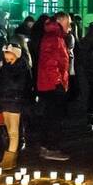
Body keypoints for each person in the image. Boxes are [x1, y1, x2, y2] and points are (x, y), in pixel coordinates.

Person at [35, 12, 71, 161]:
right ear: (61, 20)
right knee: (53, 117)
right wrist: (58, 81)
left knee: (50, 116)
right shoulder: (54, 37)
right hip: (52, 84)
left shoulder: (55, 36)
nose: (70, 25)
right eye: (68, 22)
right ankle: (51, 148)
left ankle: (47, 146)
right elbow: (51, 62)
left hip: (50, 83)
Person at [0, 40, 31, 169]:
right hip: (5, 101)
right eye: (5, 53)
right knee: (9, 130)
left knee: (13, 131)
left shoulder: (22, 67)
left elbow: (23, 85)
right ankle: (8, 158)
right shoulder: (4, 67)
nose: (5, 56)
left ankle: (10, 158)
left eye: (8, 53)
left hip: (15, 101)